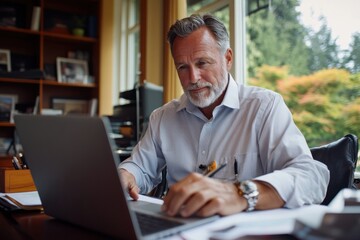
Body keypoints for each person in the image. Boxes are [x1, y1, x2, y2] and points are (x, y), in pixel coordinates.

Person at [119, 14, 329, 218]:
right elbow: (138, 167)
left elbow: (311, 178)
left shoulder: (264, 107)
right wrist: (126, 175)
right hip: (177, 229)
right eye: (183, 67)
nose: (193, 78)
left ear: (227, 58)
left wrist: (241, 193)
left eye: (202, 63)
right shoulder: (163, 118)